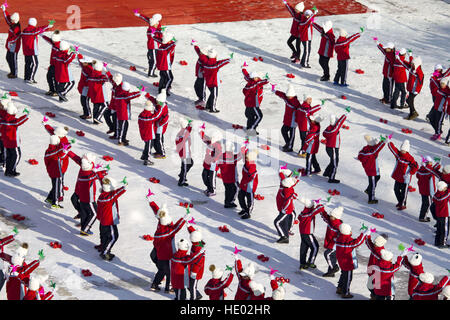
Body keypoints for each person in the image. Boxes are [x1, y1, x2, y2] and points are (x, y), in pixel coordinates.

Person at [148, 200, 187, 292]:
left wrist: (152, 202)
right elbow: (177, 227)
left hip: (160, 254)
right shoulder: (168, 231)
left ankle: (155, 284)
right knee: (170, 271)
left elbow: (158, 212)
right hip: (169, 254)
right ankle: (169, 287)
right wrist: (184, 218)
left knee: (161, 270)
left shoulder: (159, 229)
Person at [68, 152, 108, 235]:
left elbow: (76, 158)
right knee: (95, 213)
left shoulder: (87, 168)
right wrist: (102, 172)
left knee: (84, 212)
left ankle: (83, 226)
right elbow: (98, 176)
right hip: (88, 198)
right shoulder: (89, 174)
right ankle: (85, 228)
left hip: (82, 196)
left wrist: (68, 152)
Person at [335, 223, 371, 298]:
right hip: (347, 263)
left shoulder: (339, 238)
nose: (351, 232)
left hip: (341, 261)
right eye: (350, 230)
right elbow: (357, 242)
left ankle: (340, 287)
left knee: (343, 274)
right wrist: (364, 234)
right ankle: (345, 292)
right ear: (347, 232)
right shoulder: (348, 240)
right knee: (348, 278)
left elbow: (353, 241)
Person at [96, 177, 127, 261]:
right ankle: (105, 252)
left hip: (103, 220)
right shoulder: (110, 197)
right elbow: (118, 192)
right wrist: (124, 187)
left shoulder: (101, 197)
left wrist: (99, 217)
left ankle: (103, 247)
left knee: (104, 235)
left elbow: (98, 209)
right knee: (114, 237)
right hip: (109, 221)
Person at [387, 139, 418, 210]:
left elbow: (415, 166)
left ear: (407, 150)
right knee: (396, 190)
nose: (402, 151)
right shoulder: (398, 155)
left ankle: (403, 204)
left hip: (405, 179)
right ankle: (400, 202)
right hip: (398, 177)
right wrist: (389, 142)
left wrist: (410, 173)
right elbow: (393, 149)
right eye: (401, 150)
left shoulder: (410, 158)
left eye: (404, 150)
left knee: (404, 192)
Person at [0, 102, 29, 177]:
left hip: (5, 141)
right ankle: (11, 170)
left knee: (9, 155)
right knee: (16, 155)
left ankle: (8, 170)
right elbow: (20, 121)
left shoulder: (3, 120)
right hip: (13, 142)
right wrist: (27, 115)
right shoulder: (13, 121)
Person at [21, 18, 52, 83]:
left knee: (27, 64)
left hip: (25, 51)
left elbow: (38, 30)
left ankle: (26, 77)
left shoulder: (24, 30)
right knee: (35, 64)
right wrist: (48, 26)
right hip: (32, 51)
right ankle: (31, 78)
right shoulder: (33, 31)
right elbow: (39, 30)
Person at [357, 135, 386, 204]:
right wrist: (383, 141)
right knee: (372, 184)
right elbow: (378, 148)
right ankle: (371, 199)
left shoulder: (365, 148)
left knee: (378, 177)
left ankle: (368, 190)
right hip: (372, 170)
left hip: (372, 168)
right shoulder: (373, 151)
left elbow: (360, 156)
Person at [298, 198, 325, 269]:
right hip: (308, 233)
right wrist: (318, 203)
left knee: (304, 248)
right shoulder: (310, 213)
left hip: (302, 233)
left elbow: (299, 217)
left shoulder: (303, 212)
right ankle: (310, 262)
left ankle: (302, 264)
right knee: (315, 247)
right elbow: (321, 208)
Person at [134, 11, 163, 77]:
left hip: (154, 46)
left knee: (152, 58)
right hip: (153, 47)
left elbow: (146, 18)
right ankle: (151, 73)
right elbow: (157, 35)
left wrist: (139, 14)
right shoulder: (151, 30)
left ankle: (151, 66)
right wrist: (161, 32)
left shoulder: (155, 23)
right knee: (154, 61)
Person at [202, 48, 231, 113]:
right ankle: (213, 108)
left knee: (212, 94)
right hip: (213, 83)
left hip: (208, 82)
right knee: (215, 95)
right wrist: (229, 60)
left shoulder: (206, 63)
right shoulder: (215, 65)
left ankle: (208, 106)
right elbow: (222, 63)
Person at [274, 84, 301, 152]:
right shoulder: (286, 98)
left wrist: (298, 120)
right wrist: (275, 91)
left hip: (293, 121)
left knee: (292, 135)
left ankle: (290, 147)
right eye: (288, 96)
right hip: (287, 120)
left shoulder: (296, 102)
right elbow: (282, 95)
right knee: (283, 130)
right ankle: (288, 143)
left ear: (293, 95)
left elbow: (300, 111)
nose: (288, 97)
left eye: (290, 96)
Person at [44, 135, 69, 208]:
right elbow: (61, 155)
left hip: (52, 171)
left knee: (55, 185)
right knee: (57, 187)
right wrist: (64, 151)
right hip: (56, 172)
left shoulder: (49, 150)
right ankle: (55, 203)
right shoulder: (54, 151)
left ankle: (49, 198)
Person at [242, 68, 269, 135]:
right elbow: (260, 83)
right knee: (259, 116)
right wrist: (267, 81)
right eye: (255, 77)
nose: (257, 78)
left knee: (251, 116)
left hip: (250, 103)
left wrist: (243, 69)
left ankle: (249, 128)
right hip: (253, 104)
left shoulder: (253, 80)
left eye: (257, 77)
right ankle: (251, 129)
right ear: (253, 78)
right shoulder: (253, 85)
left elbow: (246, 75)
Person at [322, 113, 347, 183]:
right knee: (335, 162)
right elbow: (340, 122)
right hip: (333, 148)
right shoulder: (335, 129)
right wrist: (346, 114)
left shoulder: (329, 127)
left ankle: (326, 172)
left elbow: (324, 133)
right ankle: (331, 178)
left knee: (332, 161)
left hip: (329, 147)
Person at [115, 82, 141, 146]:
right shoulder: (124, 95)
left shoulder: (119, 92)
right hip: (123, 114)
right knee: (123, 127)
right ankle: (120, 140)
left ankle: (123, 138)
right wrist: (140, 92)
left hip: (121, 113)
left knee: (125, 125)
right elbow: (132, 95)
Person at [274, 175, 299, 243]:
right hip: (282, 208)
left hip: (285, 210)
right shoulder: (285, 187)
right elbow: (283, 179)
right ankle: (285, 233)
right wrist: (295, 179)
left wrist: (284, 210)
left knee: (277, 222)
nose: (281, 183)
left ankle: (284, 237)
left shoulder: (286, 191)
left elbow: (288, 202)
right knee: (283, 222)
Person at [218, 141, 243, 207]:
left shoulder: (220, 156)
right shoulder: (233, 157)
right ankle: (230, 202)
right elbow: (240, 155)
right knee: (235, 189)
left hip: (224, 178)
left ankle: (227, 202)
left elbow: (217, 164)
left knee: (227, 190)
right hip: (232, 179)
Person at [320, 206, 343, 277]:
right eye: (330, 215)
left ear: (336, 217)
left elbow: (343, 234)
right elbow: (325, 216)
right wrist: (321, 209)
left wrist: (337, 239)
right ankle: (331, 272)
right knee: (332, 258)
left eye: (332, 216)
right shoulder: (330, 221)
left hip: (335, 245)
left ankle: (334, 267)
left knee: (327, 254)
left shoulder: (339, 226)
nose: (330, 217)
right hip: (330, 243)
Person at [199, 127, 222, 197]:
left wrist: (214, 160)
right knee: (204, 176)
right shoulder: (209, 142)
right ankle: (209, 188)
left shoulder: (218, 145)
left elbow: (218, 154)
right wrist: (201, 130)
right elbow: (203, 137)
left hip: (213, 165)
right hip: (206, 163)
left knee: (211, 178)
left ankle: (212, 190)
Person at [416, 156, 441, 222]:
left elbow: (417, 176)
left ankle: (422, 216)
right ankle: (423, 217)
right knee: (427, 204)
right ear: (427, 163)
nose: (431, 164)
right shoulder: (429, 170)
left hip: (422, 190)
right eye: (430, 162)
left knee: (424, 203)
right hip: (428, 191)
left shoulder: (420, 170)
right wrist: (438, 163)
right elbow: (435, 169)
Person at [365, 233, 388, 299]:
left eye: (375, 244)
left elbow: (386, 263)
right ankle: (373, 295)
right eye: (374, 243)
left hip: (377, 273)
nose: (374, 245)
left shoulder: (382, 253)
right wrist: (368, 235)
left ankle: (375, 297)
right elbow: (368, 243)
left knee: (376, 288)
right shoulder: (374, 248)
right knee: (369, 286)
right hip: (371, 270)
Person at [1, 4, 21, 79]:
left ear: (15, 20)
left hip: (14, 47)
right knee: (8, 58)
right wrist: (4, 10)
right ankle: (12, 71)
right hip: (10, 46)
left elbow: (17, 37)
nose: (11, 20)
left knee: (13, 60)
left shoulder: (16, 28)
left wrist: (10, 42)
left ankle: (14, 73)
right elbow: (7, 18)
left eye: (12, 20)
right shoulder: (13, 24)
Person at [138, 100, 160, 166]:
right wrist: (159, 107)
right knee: (149, 146)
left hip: (143, 133)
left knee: (147, 144)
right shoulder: (149, 116)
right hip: (149, 134)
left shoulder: (141, 114)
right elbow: (157, 116)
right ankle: (147, 159)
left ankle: (144, 155)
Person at [238, 150, 259, 219]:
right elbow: (244, 157)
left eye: (247, 158)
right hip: (244, 184)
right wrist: (245, 151)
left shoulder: (252, 166)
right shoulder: (247, 162)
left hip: (250, 186)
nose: (246, 158)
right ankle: (244, 209)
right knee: (240, 197)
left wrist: (245, 183)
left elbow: (251, 177)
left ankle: (248, 212)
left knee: (250, 200)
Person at [148, 90, 169, 158]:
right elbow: (153, 99)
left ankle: (162, 153)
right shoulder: (158, 103)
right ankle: (158, 151)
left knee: (159, 139)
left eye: (157, 101)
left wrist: (150, 118)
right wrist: (146, 94)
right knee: (155, 139)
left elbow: (157, 116)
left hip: (160, 126)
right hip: (157, 124)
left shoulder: (161, 108)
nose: (156, 102)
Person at [186, 226, 205, 300]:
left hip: (196, 272)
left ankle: (193, 298)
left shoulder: (198, 248)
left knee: (192, 286)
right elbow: (194, 234)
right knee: (189, 285)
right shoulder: (198, 242)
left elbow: (198, 262)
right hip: (192, 269)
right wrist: (189, 226)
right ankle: (197, 295)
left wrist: (194, 272)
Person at [41, 30, 61, 96]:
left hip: (57, 66)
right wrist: (42, 35)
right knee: (49, 77)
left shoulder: (60, 46)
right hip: (52, 64)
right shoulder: (54, 43)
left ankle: (56, 91)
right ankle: (51, 90)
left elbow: (67, 50)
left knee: (55, 79)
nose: (52, 41)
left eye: (53, 40)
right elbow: (48, 39)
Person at [374, 40, 395, 104]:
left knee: (389, 88)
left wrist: (392, 74)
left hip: (390, 75)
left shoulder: (393, 56)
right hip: (385, 74)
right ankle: (385, 97)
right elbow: (382, 49)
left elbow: (395, 66)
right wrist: (377, 42)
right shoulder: (387, 52)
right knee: (384, 87)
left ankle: (388, 99)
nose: (385, 49)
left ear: (390, 49)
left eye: (387, 48)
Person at [430, 181, 450, 248]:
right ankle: (443, 243)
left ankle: (437, 242)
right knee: (445, 230)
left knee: (439, 229)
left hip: (438, 214)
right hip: (444, 215)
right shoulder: (444, 196)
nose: (446, 188)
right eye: (445, 187)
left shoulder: (436, 195)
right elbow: (448, 193)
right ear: (442, 188)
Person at [76, 53, 94, 119]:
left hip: (87, 88)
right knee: (83, 100)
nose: (82, 63)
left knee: (85, 100)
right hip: (84, 87)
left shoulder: (91, 69)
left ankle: (88, 114)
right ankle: (86, 113)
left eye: (84, 62)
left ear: (88, 63)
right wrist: (78, 53)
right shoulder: (84, 66)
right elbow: (80, 61)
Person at [175, 118, 193, 185]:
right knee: (185, 167)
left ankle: (182, 175)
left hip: (187, 153)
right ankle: (181, 181)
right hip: (184, 154)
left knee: (190, 163)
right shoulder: (181, 134)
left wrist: (190, 125)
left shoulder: (185, 131)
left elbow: (189, 130)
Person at [104, 73, 123, 137]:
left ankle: (116, 134)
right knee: (106, 114)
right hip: (112, 105)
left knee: (115, 120)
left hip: (117, 107)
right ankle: (112, 128)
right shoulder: (115, 84)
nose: (114, 82)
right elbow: (110, 78)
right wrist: (106, 71)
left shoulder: (122, 88)